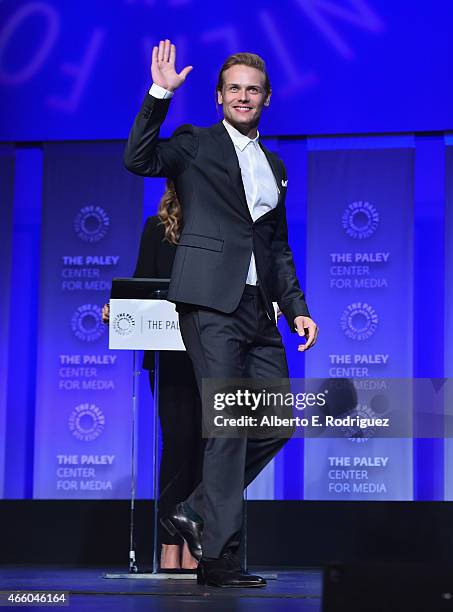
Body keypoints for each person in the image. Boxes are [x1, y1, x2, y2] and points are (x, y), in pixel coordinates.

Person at [124, 39, 319, 588]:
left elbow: (277, 248)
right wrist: (160, 92)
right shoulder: (195, 145)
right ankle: (219, 559)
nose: (242, 96)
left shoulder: (275, 166)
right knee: (229, 429)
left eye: (252, 90)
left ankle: (196, 512)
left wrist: (297, 310)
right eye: (233, 88)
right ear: (218, 97)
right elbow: (138, 158)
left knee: (275, 422)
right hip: (210, 303)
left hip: (261, 311)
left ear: (266, 99)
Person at [102, 180, 203, 571]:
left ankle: (199, 540)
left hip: (214, 352)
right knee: (178, 442)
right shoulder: (157, 227)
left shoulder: (227, 224)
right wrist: (119, 309)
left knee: (210, 445)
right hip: (170, 357)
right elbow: (143, 283)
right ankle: (169, 541)